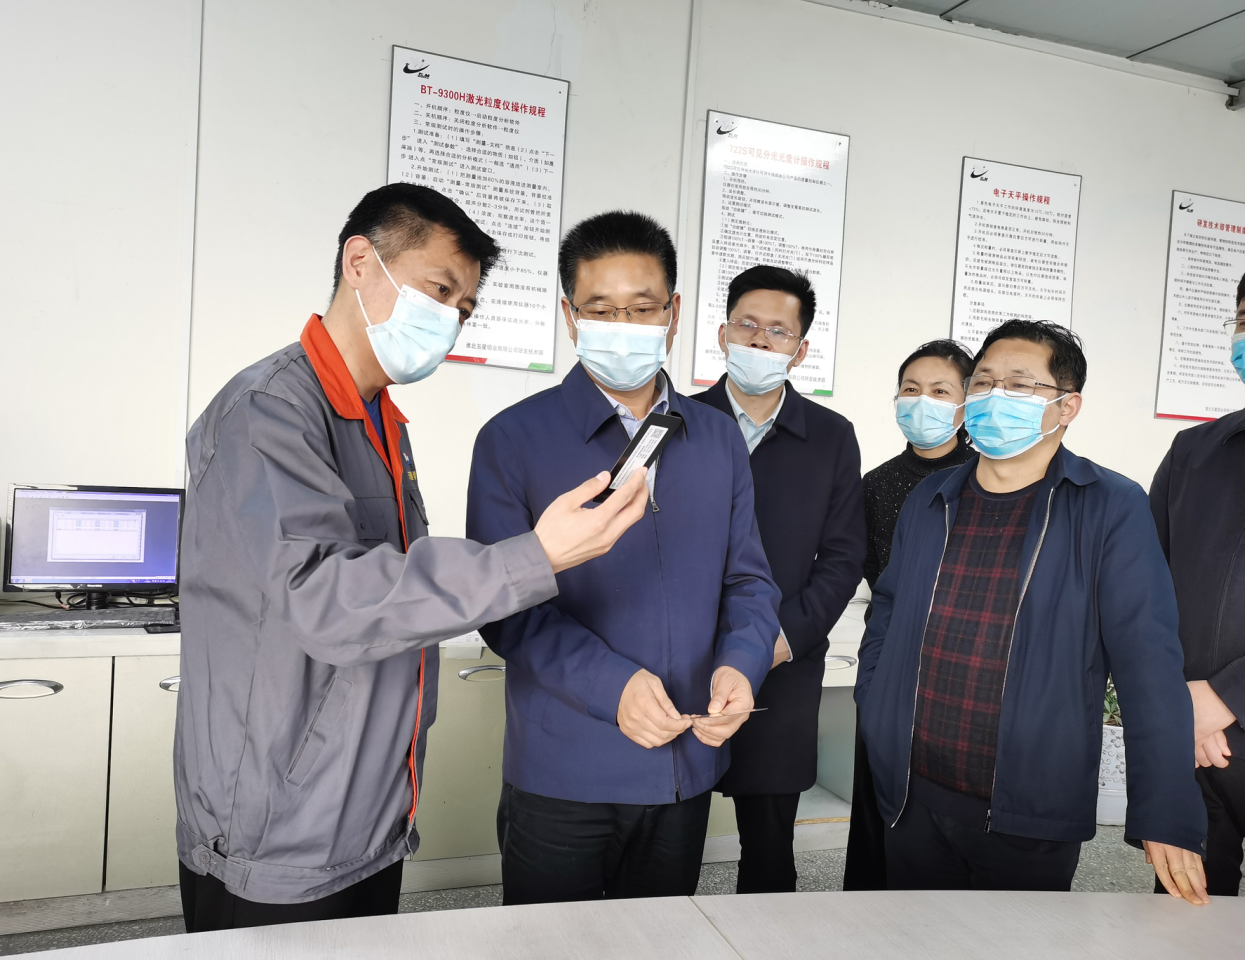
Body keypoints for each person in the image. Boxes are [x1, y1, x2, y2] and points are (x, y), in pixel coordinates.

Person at [174, 184, 651, 932]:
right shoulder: (268, 412)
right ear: (360, 262)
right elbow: (325, 599)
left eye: (464, 307)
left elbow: (392, 609)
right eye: (439, 290)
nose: (451, 320)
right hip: (280, 824)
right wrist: (537, 555)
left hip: (368, 810)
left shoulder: (382, 424)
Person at [466, 211, 780, 904]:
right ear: (570, 316)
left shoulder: (717, 438)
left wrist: (742, 663)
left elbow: (750, 581)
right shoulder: (512, 439)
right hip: (565, 769)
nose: (624, 324)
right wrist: (613, 687)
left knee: (663, 941)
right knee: (552, 947)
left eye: (642, 308)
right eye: (602, 309)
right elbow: (505, 607)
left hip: (686, 759)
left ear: (673, 312)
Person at [856, 319, 1209, 903]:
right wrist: (875, 703)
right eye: (983, 382)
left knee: (1016, 941)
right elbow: (889, 605)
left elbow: (1148, 662)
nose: (994, 396)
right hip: (912, 793)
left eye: (1019, 385)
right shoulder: (931, 497)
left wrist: (1167, 808)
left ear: (1067, 406)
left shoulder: (1109, 506)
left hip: (1030, 803)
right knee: (911, 937)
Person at [692, 265, 865, 894]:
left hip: (782, 662)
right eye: (748, 324)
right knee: (669, 832)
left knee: (768, 848)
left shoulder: (830, 437)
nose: (761, 340)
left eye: (778, 331)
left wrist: (780, 640)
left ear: (801, 348)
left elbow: (843, 557)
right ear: (723, 333)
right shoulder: (677, 422)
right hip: (681, 658)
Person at [1150, 252, 1245, 899]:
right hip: (1190, 745)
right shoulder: (1195, 451)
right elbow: (1144, 588)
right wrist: (1175, 702)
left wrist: (1225, 699)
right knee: (1183, 920)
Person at [843, 339, 976, 892]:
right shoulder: (875, 484)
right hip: (892, 664)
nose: (923, 402)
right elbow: (875, 578)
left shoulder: (988, 477)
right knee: (878, 820)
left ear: (968, 401)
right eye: (911, 389)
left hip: (965, 674)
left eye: (941, 391)